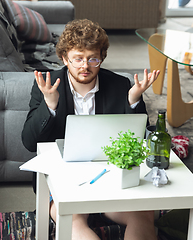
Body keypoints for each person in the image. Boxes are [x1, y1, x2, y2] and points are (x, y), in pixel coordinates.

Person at [22, 19, 160, 240]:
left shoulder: (120, 84)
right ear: (65, 58)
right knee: (73, 222)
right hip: (63, 177)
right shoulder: (47, 85)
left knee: (143, 215)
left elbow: (137, 140)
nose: (84, 66)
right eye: (77, 59)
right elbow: (29, 142)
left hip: (110, 174)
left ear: (101, 58)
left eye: (92, 59)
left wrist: (133, 101)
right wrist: (50, 105)